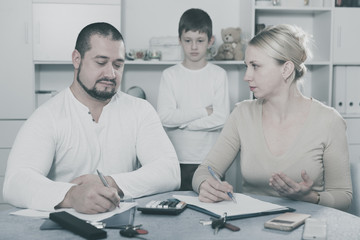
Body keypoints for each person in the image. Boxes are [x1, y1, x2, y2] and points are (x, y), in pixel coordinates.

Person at [3, 22, 180, 214]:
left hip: (125, 226)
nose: (111, 73)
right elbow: (15, 182)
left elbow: (169, 171)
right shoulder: (48, 116)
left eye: (118, 65)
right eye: (101, 62)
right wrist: (71, 195)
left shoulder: (140, 110)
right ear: (77, 59)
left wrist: (110, 182)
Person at [192, 24, 353, 211]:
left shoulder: (329, 121)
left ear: (286, 69)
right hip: (250, 227)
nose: (246, 76)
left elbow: (343, 196)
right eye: (247, 66)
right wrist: (205, 184)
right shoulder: (242, 114)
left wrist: (310, 197)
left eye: (255, 66)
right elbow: (205, 170)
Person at [157, 8, 230, 191]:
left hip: (211, 160)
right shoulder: (170, 75)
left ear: (210, 41)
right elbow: (165, 117)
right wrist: (203, 112)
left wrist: (183, 124)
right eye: (188, 41)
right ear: (179, 40)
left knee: (212, 207)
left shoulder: (218, 75)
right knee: (178, 211)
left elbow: (221, 118)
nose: (194, 47)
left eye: (200, 41)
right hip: (177, 158)